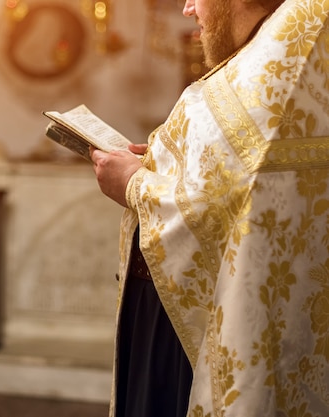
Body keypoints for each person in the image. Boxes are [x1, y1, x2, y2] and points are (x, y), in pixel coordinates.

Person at [89, 0, 329, 415]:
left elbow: (221, 206)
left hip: (189, 343)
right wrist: (167, 162)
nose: (186, 9)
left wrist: (133, 184)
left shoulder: (270, 75)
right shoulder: (281, 65)